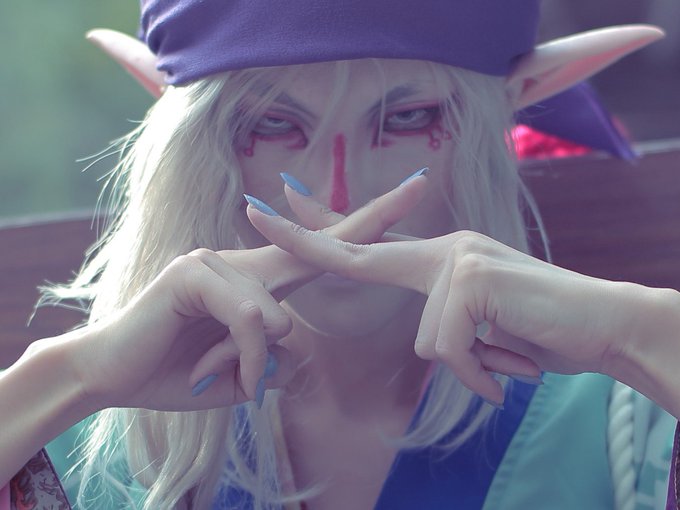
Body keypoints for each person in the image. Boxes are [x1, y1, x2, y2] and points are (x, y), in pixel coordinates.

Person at [0, 1, 676, 508]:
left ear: (496, 113)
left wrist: (636, 332)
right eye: (273, 122)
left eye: (406, 118)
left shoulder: (624, 421)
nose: (340, 197)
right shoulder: (81, 429)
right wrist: (68, 376)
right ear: (201, 143)